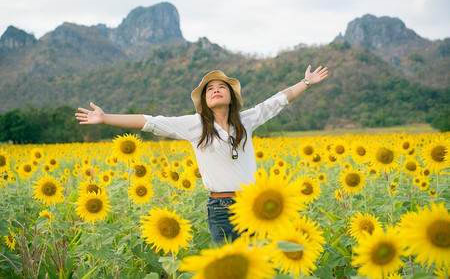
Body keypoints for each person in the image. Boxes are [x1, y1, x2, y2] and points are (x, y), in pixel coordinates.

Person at [75, 65, 328, 244]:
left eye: (221, 87)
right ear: (204, 101)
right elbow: (149, 121)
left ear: (231, 97)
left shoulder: (246, 121)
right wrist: (106, 118)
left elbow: (277, 101)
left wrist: (306, 83)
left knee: (258, 267)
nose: (216, 90)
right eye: (210, 90)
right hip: (221, 208)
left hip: (255, 206)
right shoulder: (195, 126)